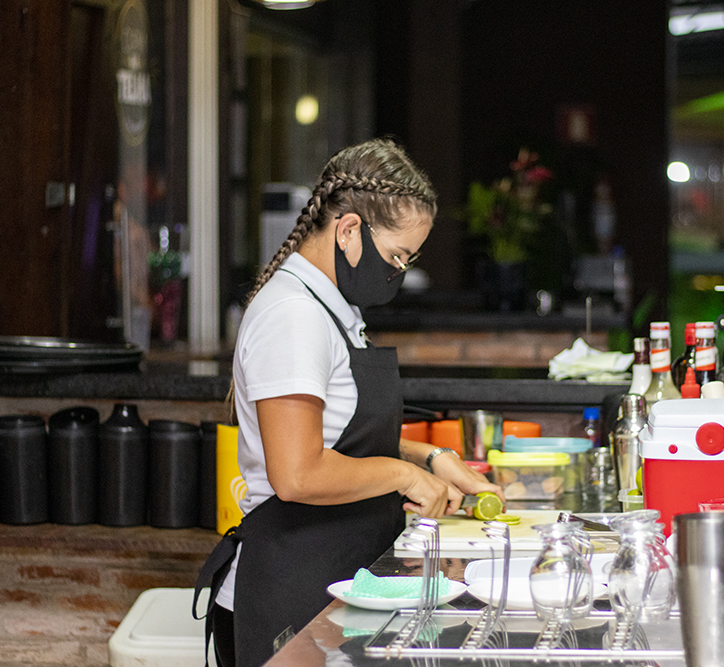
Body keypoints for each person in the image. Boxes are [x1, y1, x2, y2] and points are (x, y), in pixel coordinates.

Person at [194, 138, 503, 667]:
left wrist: (430, 458)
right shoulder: (293, 316)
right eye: (396, 256)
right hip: (290, 595)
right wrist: (405, 477)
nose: (399, 272)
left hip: (333, 579)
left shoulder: (332, 308)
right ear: (348, 230)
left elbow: (339, 438)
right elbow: (297, 473)